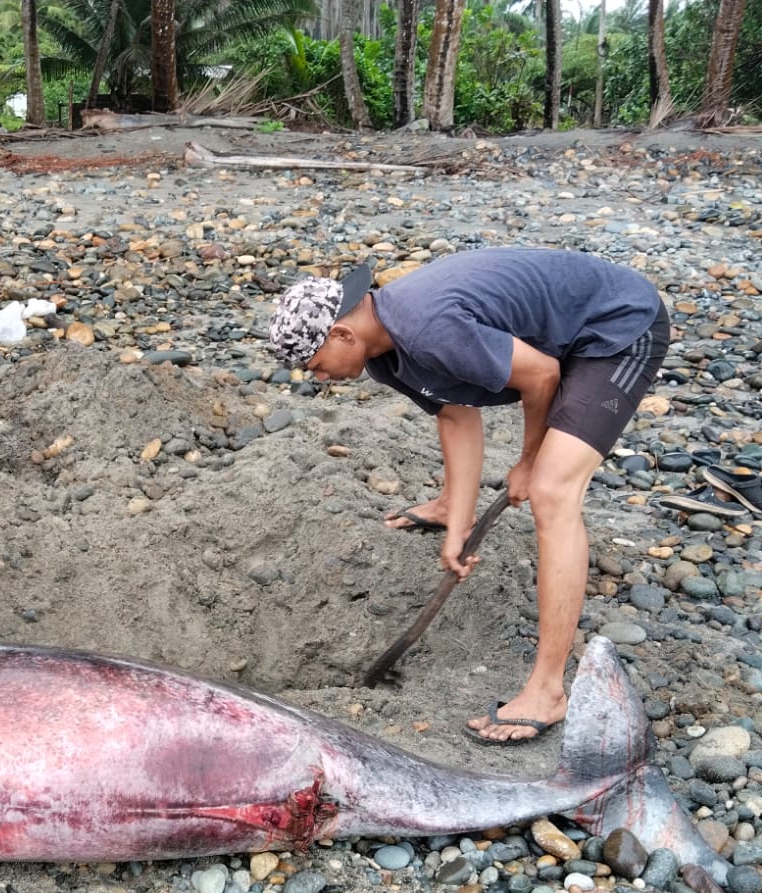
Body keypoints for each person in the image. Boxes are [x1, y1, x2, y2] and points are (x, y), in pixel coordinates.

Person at [268, 247, 669, 745]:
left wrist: (527, 460)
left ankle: (547, 690)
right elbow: (456, 414)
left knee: (550, 490)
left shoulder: (428, 328)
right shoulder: (385, 353)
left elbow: (541, 374)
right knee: (535, 476)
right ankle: (447, 508)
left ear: (342, 333)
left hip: (617, 327)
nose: (321, 378)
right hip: (567, 332)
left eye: (316, 365)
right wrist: (456, 522)